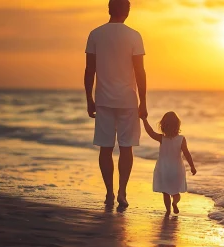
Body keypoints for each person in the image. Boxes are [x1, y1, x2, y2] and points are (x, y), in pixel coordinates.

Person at [84, 0, 147, 207]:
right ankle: (122, 192)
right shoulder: (134, 35)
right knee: (126, 147)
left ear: (109, 10)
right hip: (128, 99)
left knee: (106, 148)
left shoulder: (95, 34)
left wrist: (89, 99)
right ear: (127, 11)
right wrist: (143, 102)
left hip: (103, 99)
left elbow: (89, 71)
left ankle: (109, 193)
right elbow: (140, 72)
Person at [141, 112, 197, 215]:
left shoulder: (161, 138)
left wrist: (144, 120)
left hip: (164, 169)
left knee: (165, 192)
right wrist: (192, 166)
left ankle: (168, 211)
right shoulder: (181, 139)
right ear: (178, 125)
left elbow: (150, 132)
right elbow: (187, 154)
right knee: (176, 192)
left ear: (163, 126)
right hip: (177, 169)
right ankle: (175, 203)